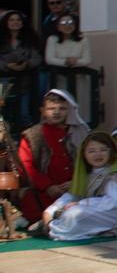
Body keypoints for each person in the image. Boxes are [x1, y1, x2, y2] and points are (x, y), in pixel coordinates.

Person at [32, 130, 117, 240]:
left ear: (111, 152)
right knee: (71, 212)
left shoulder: (116, 174)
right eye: (92, 151)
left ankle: (53, 227)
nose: (98, 154)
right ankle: (53, 224)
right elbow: (72, 195)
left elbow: (113, 203)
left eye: (103, 149)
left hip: (116, 214)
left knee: (75, 214)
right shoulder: (86, 175)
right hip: (94, 211)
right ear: (84, 155)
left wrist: (81, 203)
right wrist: (51, 210)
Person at [16, 89, 87, 224]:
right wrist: (47, 186)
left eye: (62, 108)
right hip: (43, 192)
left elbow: (89, 162)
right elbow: (25, 166)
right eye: (51, 108)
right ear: (42, 110)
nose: (56, 112)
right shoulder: (32, 135)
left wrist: (76, 182)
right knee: (29, 198)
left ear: (69, 110)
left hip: (74, 188)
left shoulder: (78, 133)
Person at [1, 11, 41, 127]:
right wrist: (7, 66)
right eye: (12, 20)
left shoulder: (30, 39)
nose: (15, 22)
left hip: (24, 83)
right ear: (6, 22)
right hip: (3, 84)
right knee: (3, 115)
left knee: (24, 114)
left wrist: (26, 64)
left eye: (18, 20)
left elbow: (37, 58)